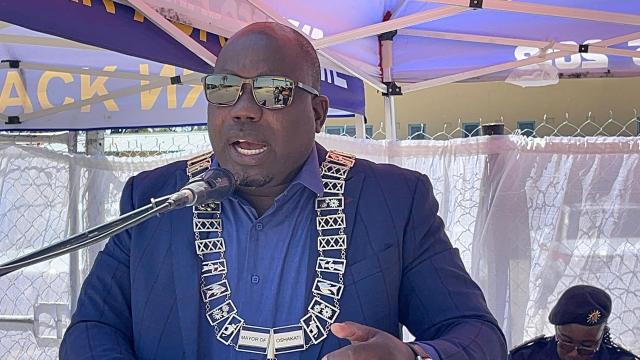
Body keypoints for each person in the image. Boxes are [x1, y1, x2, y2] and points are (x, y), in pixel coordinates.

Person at [60, 22, 507, 360]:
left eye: (273, 92)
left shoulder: (393, 200)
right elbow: (93, 328)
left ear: (317, 112)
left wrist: (413, 357)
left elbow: (477, 334)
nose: (244, 110)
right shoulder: (154, 198)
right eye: (224, 89)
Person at [509, 285, 638, 360]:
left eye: (587, 347)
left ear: (601, 336)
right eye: (566, 343)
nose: (574, 354)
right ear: (556, 331)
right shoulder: (526, 357)